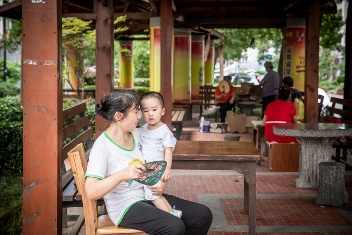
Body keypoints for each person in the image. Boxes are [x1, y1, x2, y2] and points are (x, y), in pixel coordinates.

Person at [85, 90, 213, 235]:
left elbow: (162, 151)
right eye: (136, 112)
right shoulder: (102, 147)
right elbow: (91, 191)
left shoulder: (139, 134)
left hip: (147, 195)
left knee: (202, 215)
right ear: (119, 116)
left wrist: (161, 183)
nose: (140, 116)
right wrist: (122, 174)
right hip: (125, 206)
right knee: (174, 226)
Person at [139, 91, 181, 218]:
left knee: (151, 194)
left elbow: (168, 151)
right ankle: (173, 213)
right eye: (145, 111)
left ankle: (169, 217)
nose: (150, 114)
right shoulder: (143, 128)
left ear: (162, 111)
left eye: (154, 109)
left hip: (157, 168)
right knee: (155, 194)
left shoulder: (164, 131)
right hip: (147, 167)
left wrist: (167, 170)